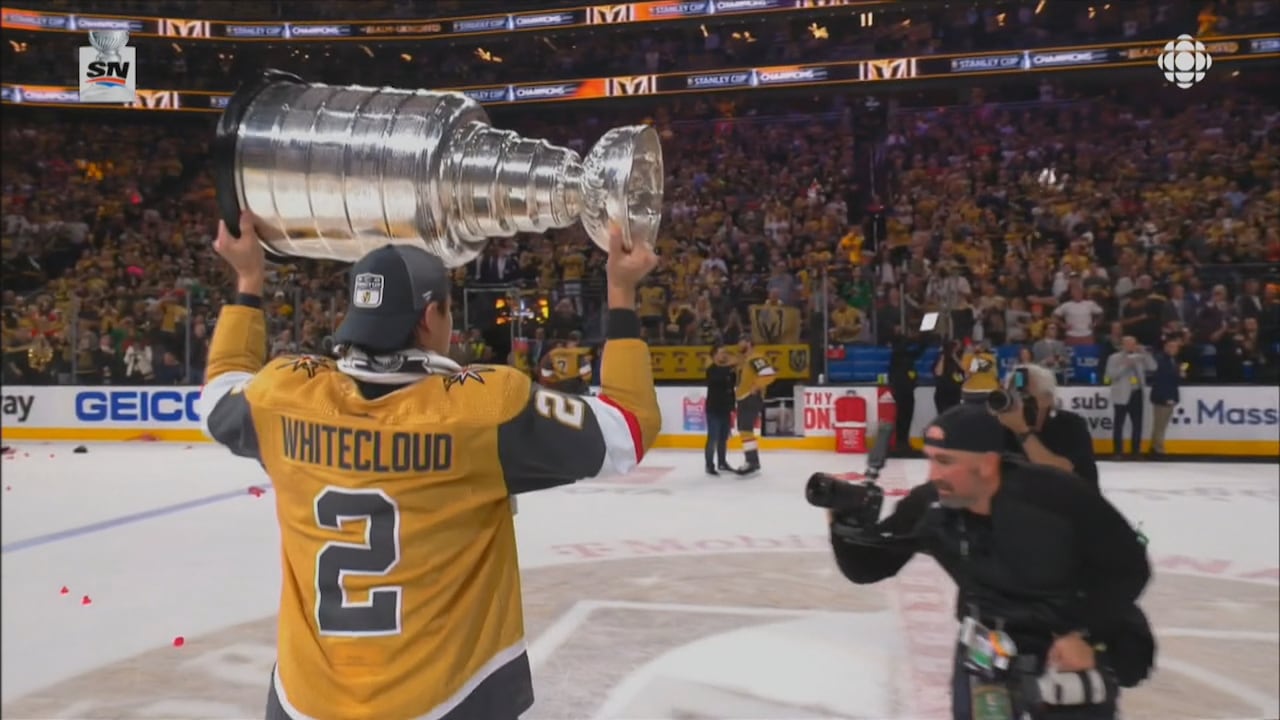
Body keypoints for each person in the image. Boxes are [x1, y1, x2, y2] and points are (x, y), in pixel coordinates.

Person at [197, 213, 661, 720]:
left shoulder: (283, 395)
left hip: (305, 701)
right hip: (446, 699)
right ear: (430, 317)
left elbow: (219, 392)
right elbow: (627, 430)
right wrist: (621, 294)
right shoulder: (483, 409)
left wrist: (248, 282)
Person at [828, 405, 1153, 720]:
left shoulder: (1056, 498)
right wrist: (842, 522)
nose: (932, 474)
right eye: (930, 460)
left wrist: (1081, 634)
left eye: (944, 461)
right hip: (986, 652)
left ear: (987, 464)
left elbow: (1129, 568)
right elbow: (866, 567)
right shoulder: (932, 504)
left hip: (1064, 653)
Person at [994, 364, 1099, 488]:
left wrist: (1022, 432)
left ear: (1047, 399)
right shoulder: (1003, 428)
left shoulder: (1071, 425)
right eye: (1013, 397)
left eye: (1025, 397)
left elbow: (1061, 471)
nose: (1019, 404)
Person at [1103, 336, 1156, 459]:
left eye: (1133, 344)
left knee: (1137, 424)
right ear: (1122, 345)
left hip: (1136, 392)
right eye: (1128, 344)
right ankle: (1117, 452)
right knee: (1119, 424)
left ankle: (1136, 452)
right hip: (1121, 394)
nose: (1131, 346)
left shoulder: (1140, 357)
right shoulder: (1114, 358)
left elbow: (1153, 367)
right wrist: (1125, 365)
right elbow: (1110, 376)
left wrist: (1145, 353)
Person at [732, 337, 776, 475]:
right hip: (744, 398)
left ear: (749, 343)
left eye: (741, 341)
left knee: (745, 430)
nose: (739, 344)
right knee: (745, 430)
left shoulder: (755, 358)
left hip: (749, 398)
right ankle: (752, 461)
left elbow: (768, 374)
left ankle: (751, 461)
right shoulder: (746, 360)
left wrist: (756, 387)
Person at [887, 325, 926, 456]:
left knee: (907, 416)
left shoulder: (905, 354)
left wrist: (924, 340)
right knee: (903, 416)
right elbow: (905, 347)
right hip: (901, 388)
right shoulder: (898, 350)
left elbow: (917, 353)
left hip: (908, 388)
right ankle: (900, 443)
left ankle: (903, 442)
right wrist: (915, 339)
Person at [1148, 334, 1183, 458]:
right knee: (1160, 424)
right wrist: (1167, 398)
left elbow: (1174, 380)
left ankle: (1155, 447)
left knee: (1161, 424)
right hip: (1163, 396)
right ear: (1166, 348)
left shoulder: (1173, 361)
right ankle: (1158, 448)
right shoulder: (1161, 360)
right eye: (1172, 347)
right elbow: (1162, 380)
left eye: (1176, 347)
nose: (1174, 349)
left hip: (1170, 395)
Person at [703, 343, 736, 475]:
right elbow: (718, 380)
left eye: (725, 353)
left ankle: (722, 462)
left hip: (725, 409)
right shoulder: (712, 369)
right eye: (721, 353)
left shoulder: (727, 370)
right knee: (713, 438)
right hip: (714, 409)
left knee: (723, 438)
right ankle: (709, 464)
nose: (724, 355)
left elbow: (731, 387)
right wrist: (730, 368)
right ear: (714, 355)